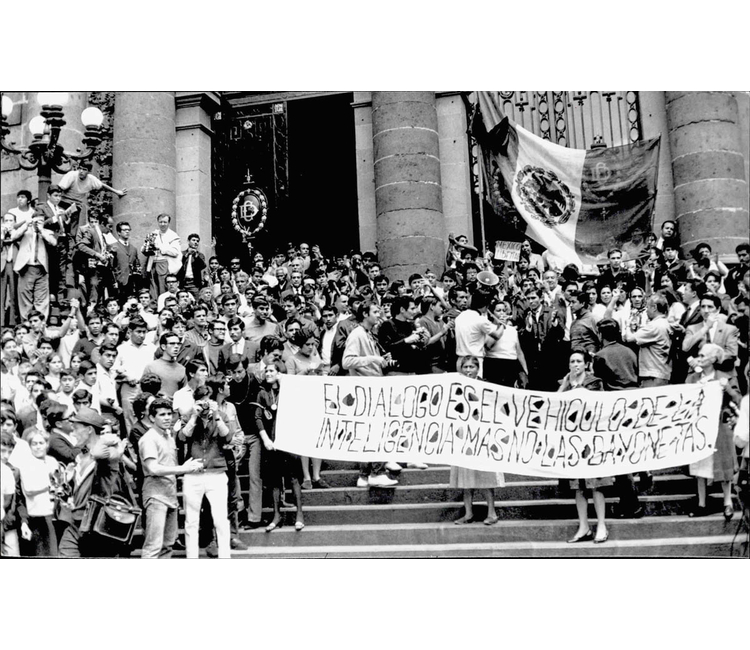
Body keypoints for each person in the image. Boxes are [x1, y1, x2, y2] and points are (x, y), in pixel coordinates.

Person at [139, 398, 203, 559]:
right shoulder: (148, 438)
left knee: (167, 546)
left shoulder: (167, 436)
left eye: (169, 414)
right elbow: (153, 468)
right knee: (153, 547)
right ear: (152, 418)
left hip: (170, 495)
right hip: (155, 496)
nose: (167, 418)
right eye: (162, 415)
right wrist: (183, 469)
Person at [342, 301, 398, 487]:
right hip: (366, 390)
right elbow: (347, 361)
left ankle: (364, 475)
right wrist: (374, 359)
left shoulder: (368, 334)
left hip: (373, 386)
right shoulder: (357, 334)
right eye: (375, 312)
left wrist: (381, 361)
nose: (379, 315)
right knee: (375, 431)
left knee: (369, 432)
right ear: (365, 313)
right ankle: (376, 472)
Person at [559, 349, 611, 544]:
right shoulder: (564, 385)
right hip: (572, 441)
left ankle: (601, 525)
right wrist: (564, 385)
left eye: (579, 361)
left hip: (591, 440)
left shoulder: (595, 383)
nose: (575, 365)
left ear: (586, 364)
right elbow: (552, 406)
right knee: (578, 486)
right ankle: (583, 526)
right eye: (572, 361)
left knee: (595, 484)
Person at [686, 343, 741, 520]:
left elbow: (738, 398)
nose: (699, 359)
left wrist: (726, 387)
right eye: (699, 355)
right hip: (699, 427)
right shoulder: (693, 378)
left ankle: (728, 503)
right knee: (699, 465)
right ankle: (702, 503)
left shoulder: (725, 377)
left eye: (702, 356)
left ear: (713, 359)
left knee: (724, 466)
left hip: (719, 427)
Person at [179, 384, 232, 558]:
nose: (205, 405)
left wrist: (216, 415)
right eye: (202, 401)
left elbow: (228, 436)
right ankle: (191, 558)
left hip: (215, 472)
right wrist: (194, 416)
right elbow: (182, 436)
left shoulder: (221, 416)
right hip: (194, 473)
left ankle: (225, 557)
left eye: (208, 401)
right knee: (191, 521)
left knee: (220, 519)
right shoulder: (189, 416)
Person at [451, 356, 503, 526]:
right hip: (463, 433)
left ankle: (492, 512)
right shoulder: (456, 388)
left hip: (481, 433)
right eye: (465, 367)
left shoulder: (486, 386)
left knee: (485, 473)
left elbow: (495, 408)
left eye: (471, 366)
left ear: (477, 368)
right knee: (465, 475)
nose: (468, 370)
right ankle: (468, 513)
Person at [255, 362, 305, 532]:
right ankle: (276, 515)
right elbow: (258, 418)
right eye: (266, 370)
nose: (268, 373)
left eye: (271, 370)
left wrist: (285, 384)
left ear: (279, 373)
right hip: (271, 443)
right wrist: (266, 439)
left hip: (288, 441)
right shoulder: (262, 393)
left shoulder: (288, 391)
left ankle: (299, 514)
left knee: (293, 478)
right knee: (274, 480)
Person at [16, 428, 59, 556]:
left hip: (53, 514)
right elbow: (29, 490)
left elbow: (59, 483)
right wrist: (49, 485)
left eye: (41, 443)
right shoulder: (26, 464)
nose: (38, 447)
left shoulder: (52, 461)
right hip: (36, 516)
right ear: (29, 446)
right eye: (34, 444)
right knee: (41, 554)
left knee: (53, 553)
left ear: (47, 444)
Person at [12, 202, 58, 320]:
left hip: (41, 269)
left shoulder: (47, 232)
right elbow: (14, 236)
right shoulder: (25, 231)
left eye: (41, 221)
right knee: (25, 298)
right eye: (36, 221)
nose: (38, 224)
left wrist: (41, 230)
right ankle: (26, 324)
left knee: (42, 299)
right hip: (26, 267)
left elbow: (54, 242)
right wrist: (26, 225)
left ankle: (40, 324)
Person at [623, 293, 672, 387]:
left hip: (653, 375)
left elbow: (629, 338)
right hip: (660, 373)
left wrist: (628, 324)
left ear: (654, 307)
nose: (646, 311)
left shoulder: (654, 326)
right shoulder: (664, 322)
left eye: (648, 307)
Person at [142, 213, 182, 300]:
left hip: (164, 263)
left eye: (165, 222)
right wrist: (146, 248)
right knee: (153, 287)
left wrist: (160, 248)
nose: (162, 224)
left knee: (163, 287)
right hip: (152, 263)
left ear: (168, 223)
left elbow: (175, 252)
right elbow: (145, 247)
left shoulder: (173, 235)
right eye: (160, 222)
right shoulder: (154, 233)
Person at [110, 221, 141, 298]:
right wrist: (114, 281)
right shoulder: (113, 247)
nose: (127, 232)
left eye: (128, 230)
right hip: (119, 281)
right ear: (119, 232)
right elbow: (111, 266)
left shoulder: (134, 249)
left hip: (132, 282)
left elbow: (136, 264)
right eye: (124, 230)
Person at [177, 233, 207, 299]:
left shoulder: (200, 255)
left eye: (197, 241)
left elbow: (202, 266)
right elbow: (178, 265)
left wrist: (196, 255)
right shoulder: (182, 253)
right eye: (193, 240)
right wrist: (187, 254)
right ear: (188, 241)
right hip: (183, 283)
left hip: (194, 284)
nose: (196, 242)